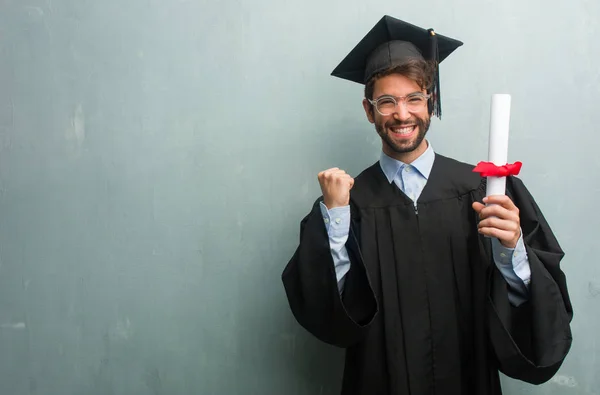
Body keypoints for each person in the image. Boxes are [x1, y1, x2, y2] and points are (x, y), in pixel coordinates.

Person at [281, 15, 572, 395]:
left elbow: (541, 311)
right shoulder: (347, 205)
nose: (402, 114)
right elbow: (328, 315)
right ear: (369, 111)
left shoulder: (486, 191)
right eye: (387, 102)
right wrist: (334, 219)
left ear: (429, 103)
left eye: (413, 99)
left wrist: (513, 251)